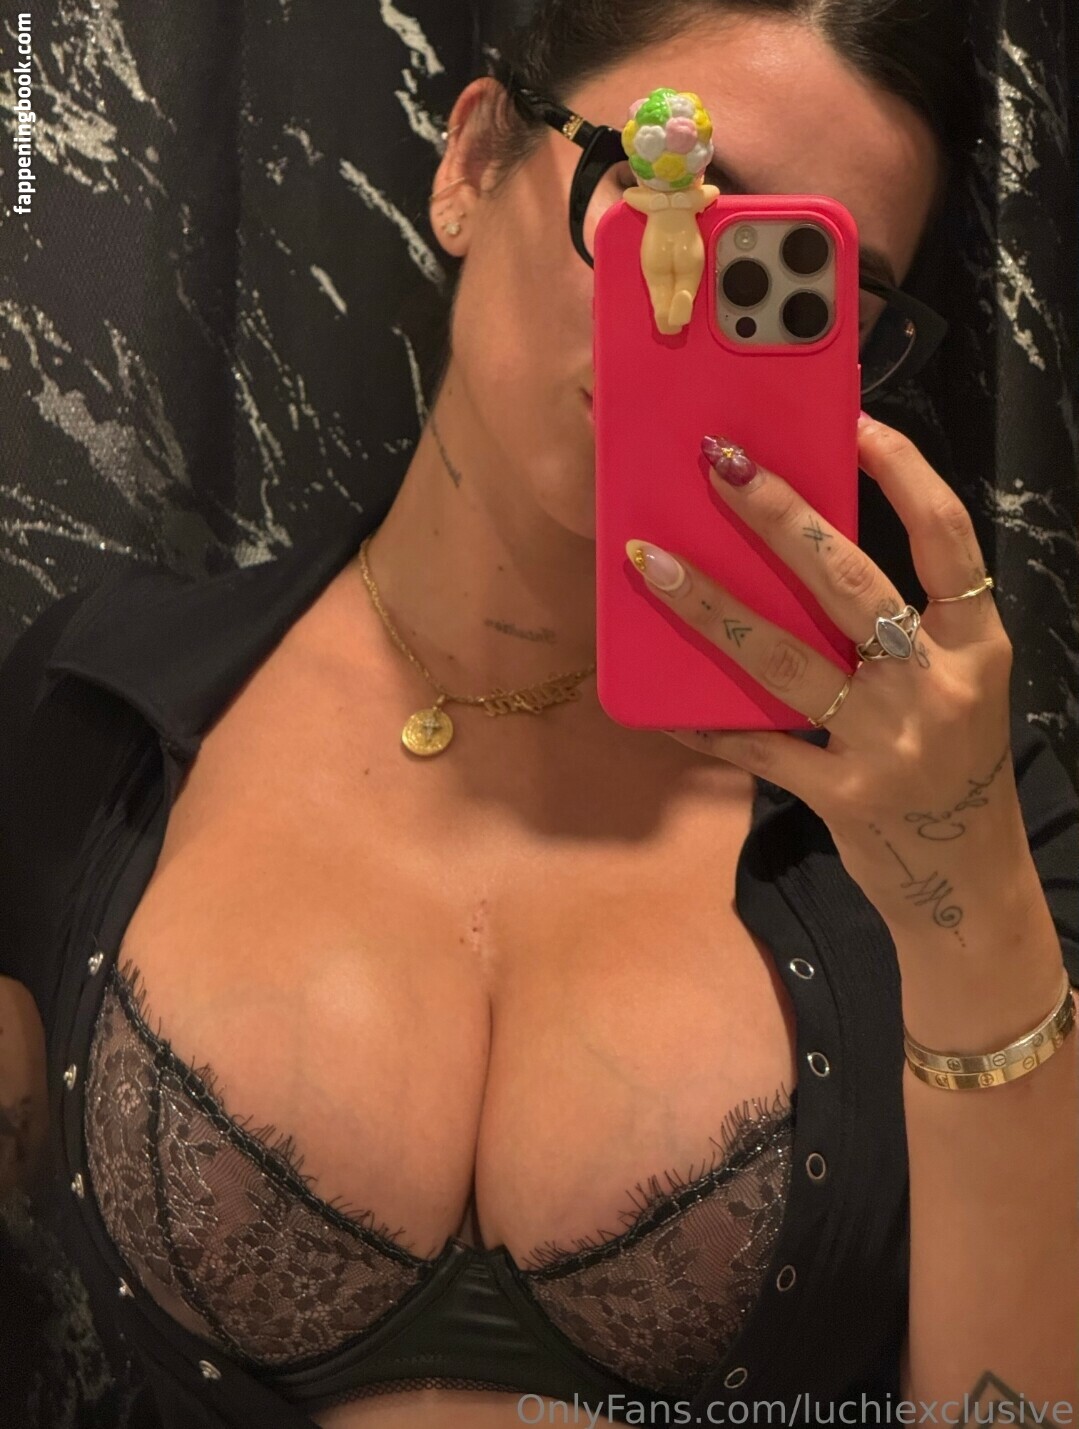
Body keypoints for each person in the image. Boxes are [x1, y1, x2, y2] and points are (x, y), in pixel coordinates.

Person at [1, 2, 1076, 1426]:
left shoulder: (963, 818)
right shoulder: (96, 707)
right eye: (666, 193)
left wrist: (973, 915)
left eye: (804, 279)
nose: (686, 307)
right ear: (471, 163)